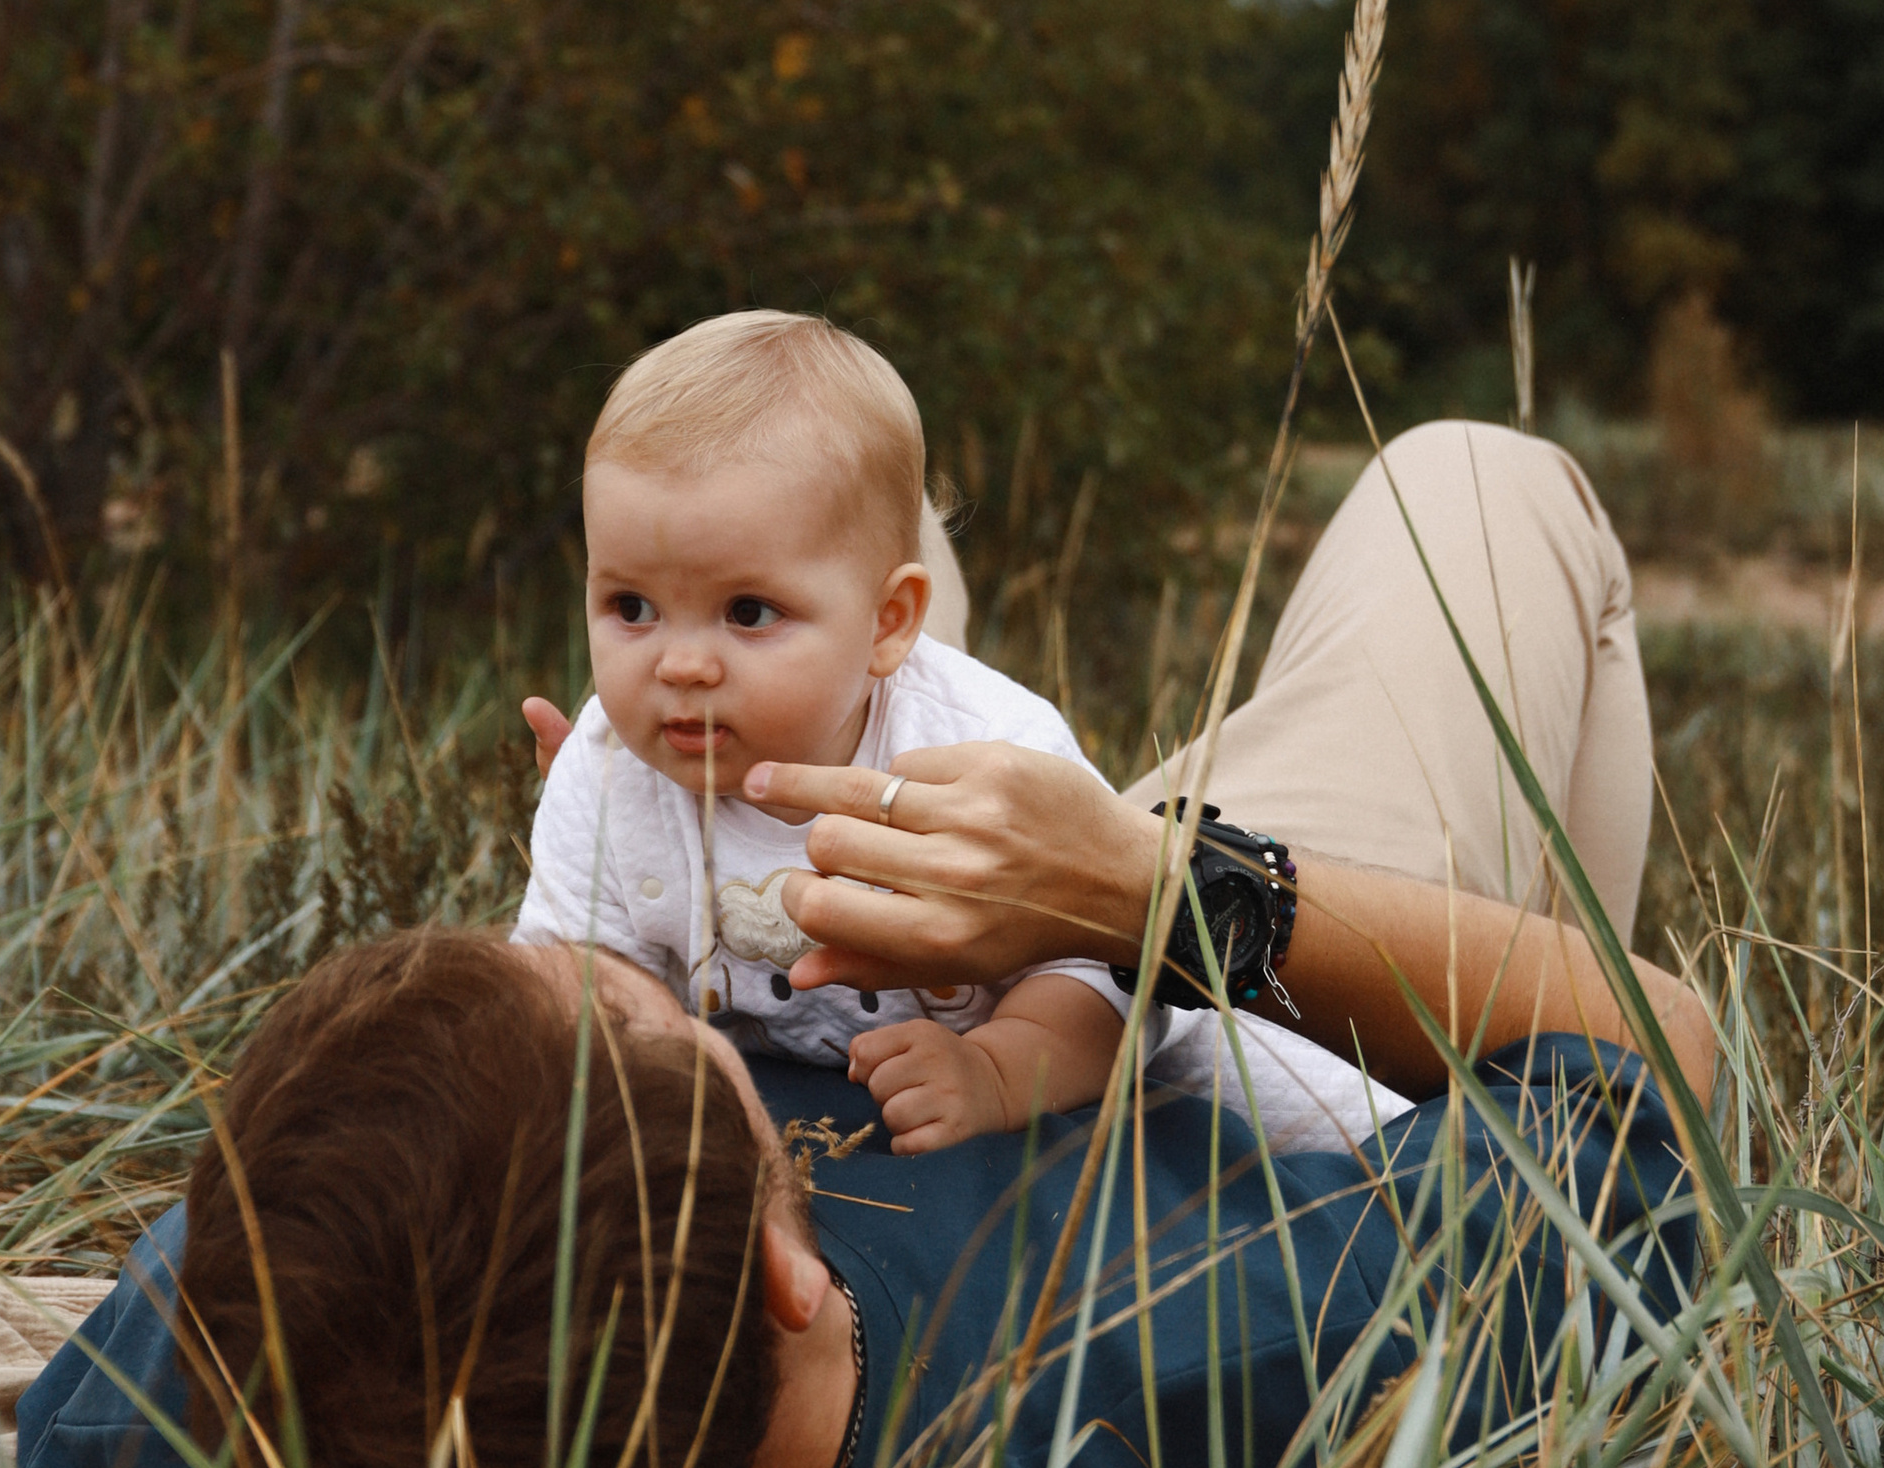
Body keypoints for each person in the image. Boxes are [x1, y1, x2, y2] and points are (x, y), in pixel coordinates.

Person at [0, 418, 1710, 1468]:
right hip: (1195, 1003)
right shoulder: (1189, 1381)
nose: (664, 986)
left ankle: (899, 651)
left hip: (942, 936)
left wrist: (646, 867)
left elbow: (338, 1265)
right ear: (797, 1265)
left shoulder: (229, 1399)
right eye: (681, 1025)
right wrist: (1144, 885)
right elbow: (1663, 1062)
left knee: (791, 462)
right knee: (1474, 488)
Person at [513, 307, 1393, 1155]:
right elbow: (578, 979)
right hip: (826, 1109)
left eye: (747, 612)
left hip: (1125, 1076)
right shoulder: (606, 767)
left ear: (891, 622)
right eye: (631, 606)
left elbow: (1108, 966)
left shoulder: (984, 749)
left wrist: (998, 1071)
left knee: (1346, 1131)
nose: (681, 664)